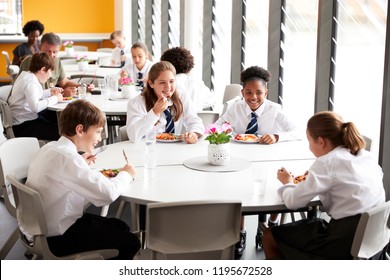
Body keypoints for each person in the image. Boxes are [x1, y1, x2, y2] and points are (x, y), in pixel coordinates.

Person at [26, 99, 141, 259]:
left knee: (119, 226)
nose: (100, 138)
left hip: (39, 228)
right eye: (98, 131)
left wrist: (81, 162)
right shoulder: (69, 159)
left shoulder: (50, 148)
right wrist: (126, 173)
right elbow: (106, 195)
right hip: (58, 237)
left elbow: (64, 176)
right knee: (131, 242)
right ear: (80, 130)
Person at [263, 111, 386, 259]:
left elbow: (292, 202)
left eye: (309, 141)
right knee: (312, 224)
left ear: (321, 141)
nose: (309, 146)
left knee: (269, 235)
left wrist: (287, 182)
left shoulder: (326, 163)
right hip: (374, 241)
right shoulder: (365, 155)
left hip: (344, 242)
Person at [215, 65, 301, 258]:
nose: (253, 97)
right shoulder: (235, 108)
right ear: (242, 92)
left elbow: (297, 131)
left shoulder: (275, 110)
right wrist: (230, 132)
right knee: (239, 190)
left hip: (267, 159)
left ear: (266, 92)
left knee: (274, 185)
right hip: (241, 158)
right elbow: (217, 126)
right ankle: (241, 232)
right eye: (248, 92)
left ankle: (270, 224)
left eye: (259, 93)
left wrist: (277, 136)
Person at [126, 61, 204, 143]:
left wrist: (194, 134)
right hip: (148, 149)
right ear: (151, 83)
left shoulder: (181, 97)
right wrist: (154, 112)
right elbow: (133, 136)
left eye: (171, 81)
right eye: (162, 82)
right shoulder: (137, 103)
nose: (168, 87)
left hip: (174, 149)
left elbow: (195, 121)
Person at [16, 32, 93, 97]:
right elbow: (32, 95)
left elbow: (64, 83)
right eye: (47, 51)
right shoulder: (30, 62)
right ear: (39, 47)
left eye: (55, 52)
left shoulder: (57, 61)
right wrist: (62, 93)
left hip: (47, 103)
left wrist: (82, 87)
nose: (51, 55)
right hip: (30, 109)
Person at [8, 52, 63, 140]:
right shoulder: (31, 83)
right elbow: (35, 107)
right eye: (50, 71)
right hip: (22, 126)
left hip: (24, 120)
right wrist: (55, 98)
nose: (50, 75)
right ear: (42, 69)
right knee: (61, 133)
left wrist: (50, 92)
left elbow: (33, 95)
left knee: (57, 123)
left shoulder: (26, 75)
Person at [160, 47, 215, 111]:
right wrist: (196, 105)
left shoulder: (166, 84)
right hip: (198, 118)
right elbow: (212, 100)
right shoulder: (197, 82)